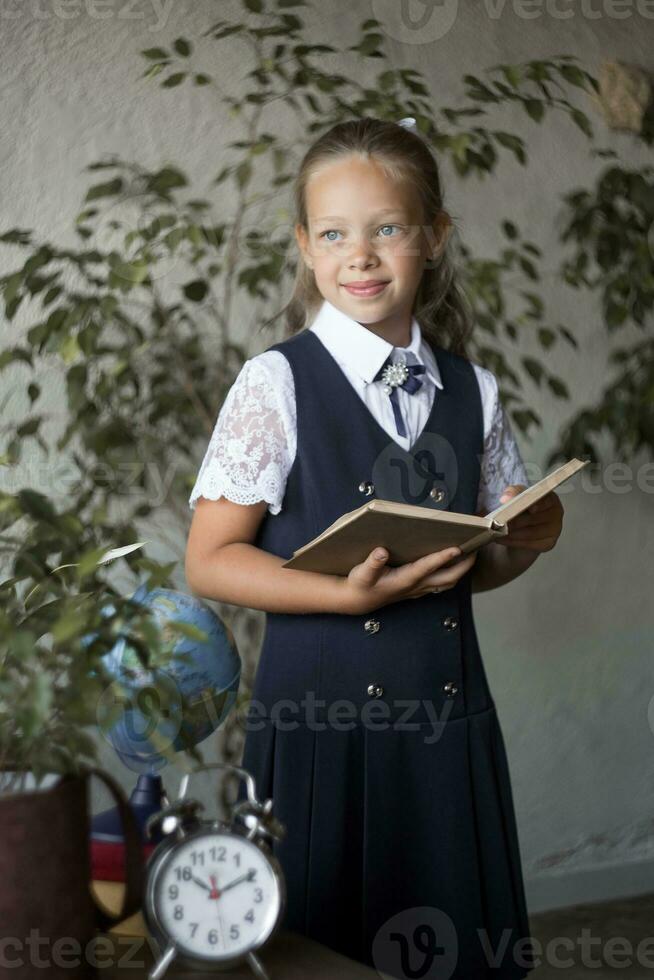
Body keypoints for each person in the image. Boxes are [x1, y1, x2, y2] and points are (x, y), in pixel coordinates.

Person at [185, 116, 564, 978]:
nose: (361, 254)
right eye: (335, 233)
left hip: (444, 723)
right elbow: (209, 559)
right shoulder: (277, 381)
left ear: (432, 239)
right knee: (323, 953)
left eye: (388, 228)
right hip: (321, 732)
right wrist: (345, 597)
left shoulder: (475, 389)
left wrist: (526, 541)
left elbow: (470, 562)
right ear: (305, 248)